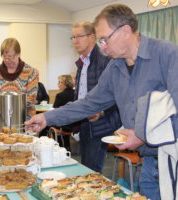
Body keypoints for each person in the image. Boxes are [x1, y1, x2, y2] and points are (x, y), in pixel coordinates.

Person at [25, 4, 178, 200]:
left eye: (105, 39)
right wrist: (47, 118)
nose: (102, 47)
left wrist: (144, 135)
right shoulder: (116, 67)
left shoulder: (168, 55)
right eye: (100, 41)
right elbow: (89, 103)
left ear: (125, 30)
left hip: (172, 159)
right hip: (149, 162)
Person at [70, 21, 121, 172]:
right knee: (84, 166)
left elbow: (116, 93)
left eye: (79, 36)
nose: (75, 41)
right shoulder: (82, 62)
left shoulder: (106, 60)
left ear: (92, 37)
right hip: (84, 121)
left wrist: (102, 112)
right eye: (72, 37)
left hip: (100, 123)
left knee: (91, 171)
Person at [0, 38, 39, 118]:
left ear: (18, 54)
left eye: (10, 56)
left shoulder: (31, 72)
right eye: (4, 56)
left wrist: (8, 109)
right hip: (1, 120)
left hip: (25, 120)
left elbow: (31, 98)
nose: (7, 60)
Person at [52, 75, 75, 150]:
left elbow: (55, 111)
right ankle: (66, 146)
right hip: (75, 124)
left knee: (46, 126)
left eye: (59, 82)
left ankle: (59, 147)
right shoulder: (76, 93)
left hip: (64, 125)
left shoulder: (60, 95)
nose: (58, 84)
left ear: (65, 83)